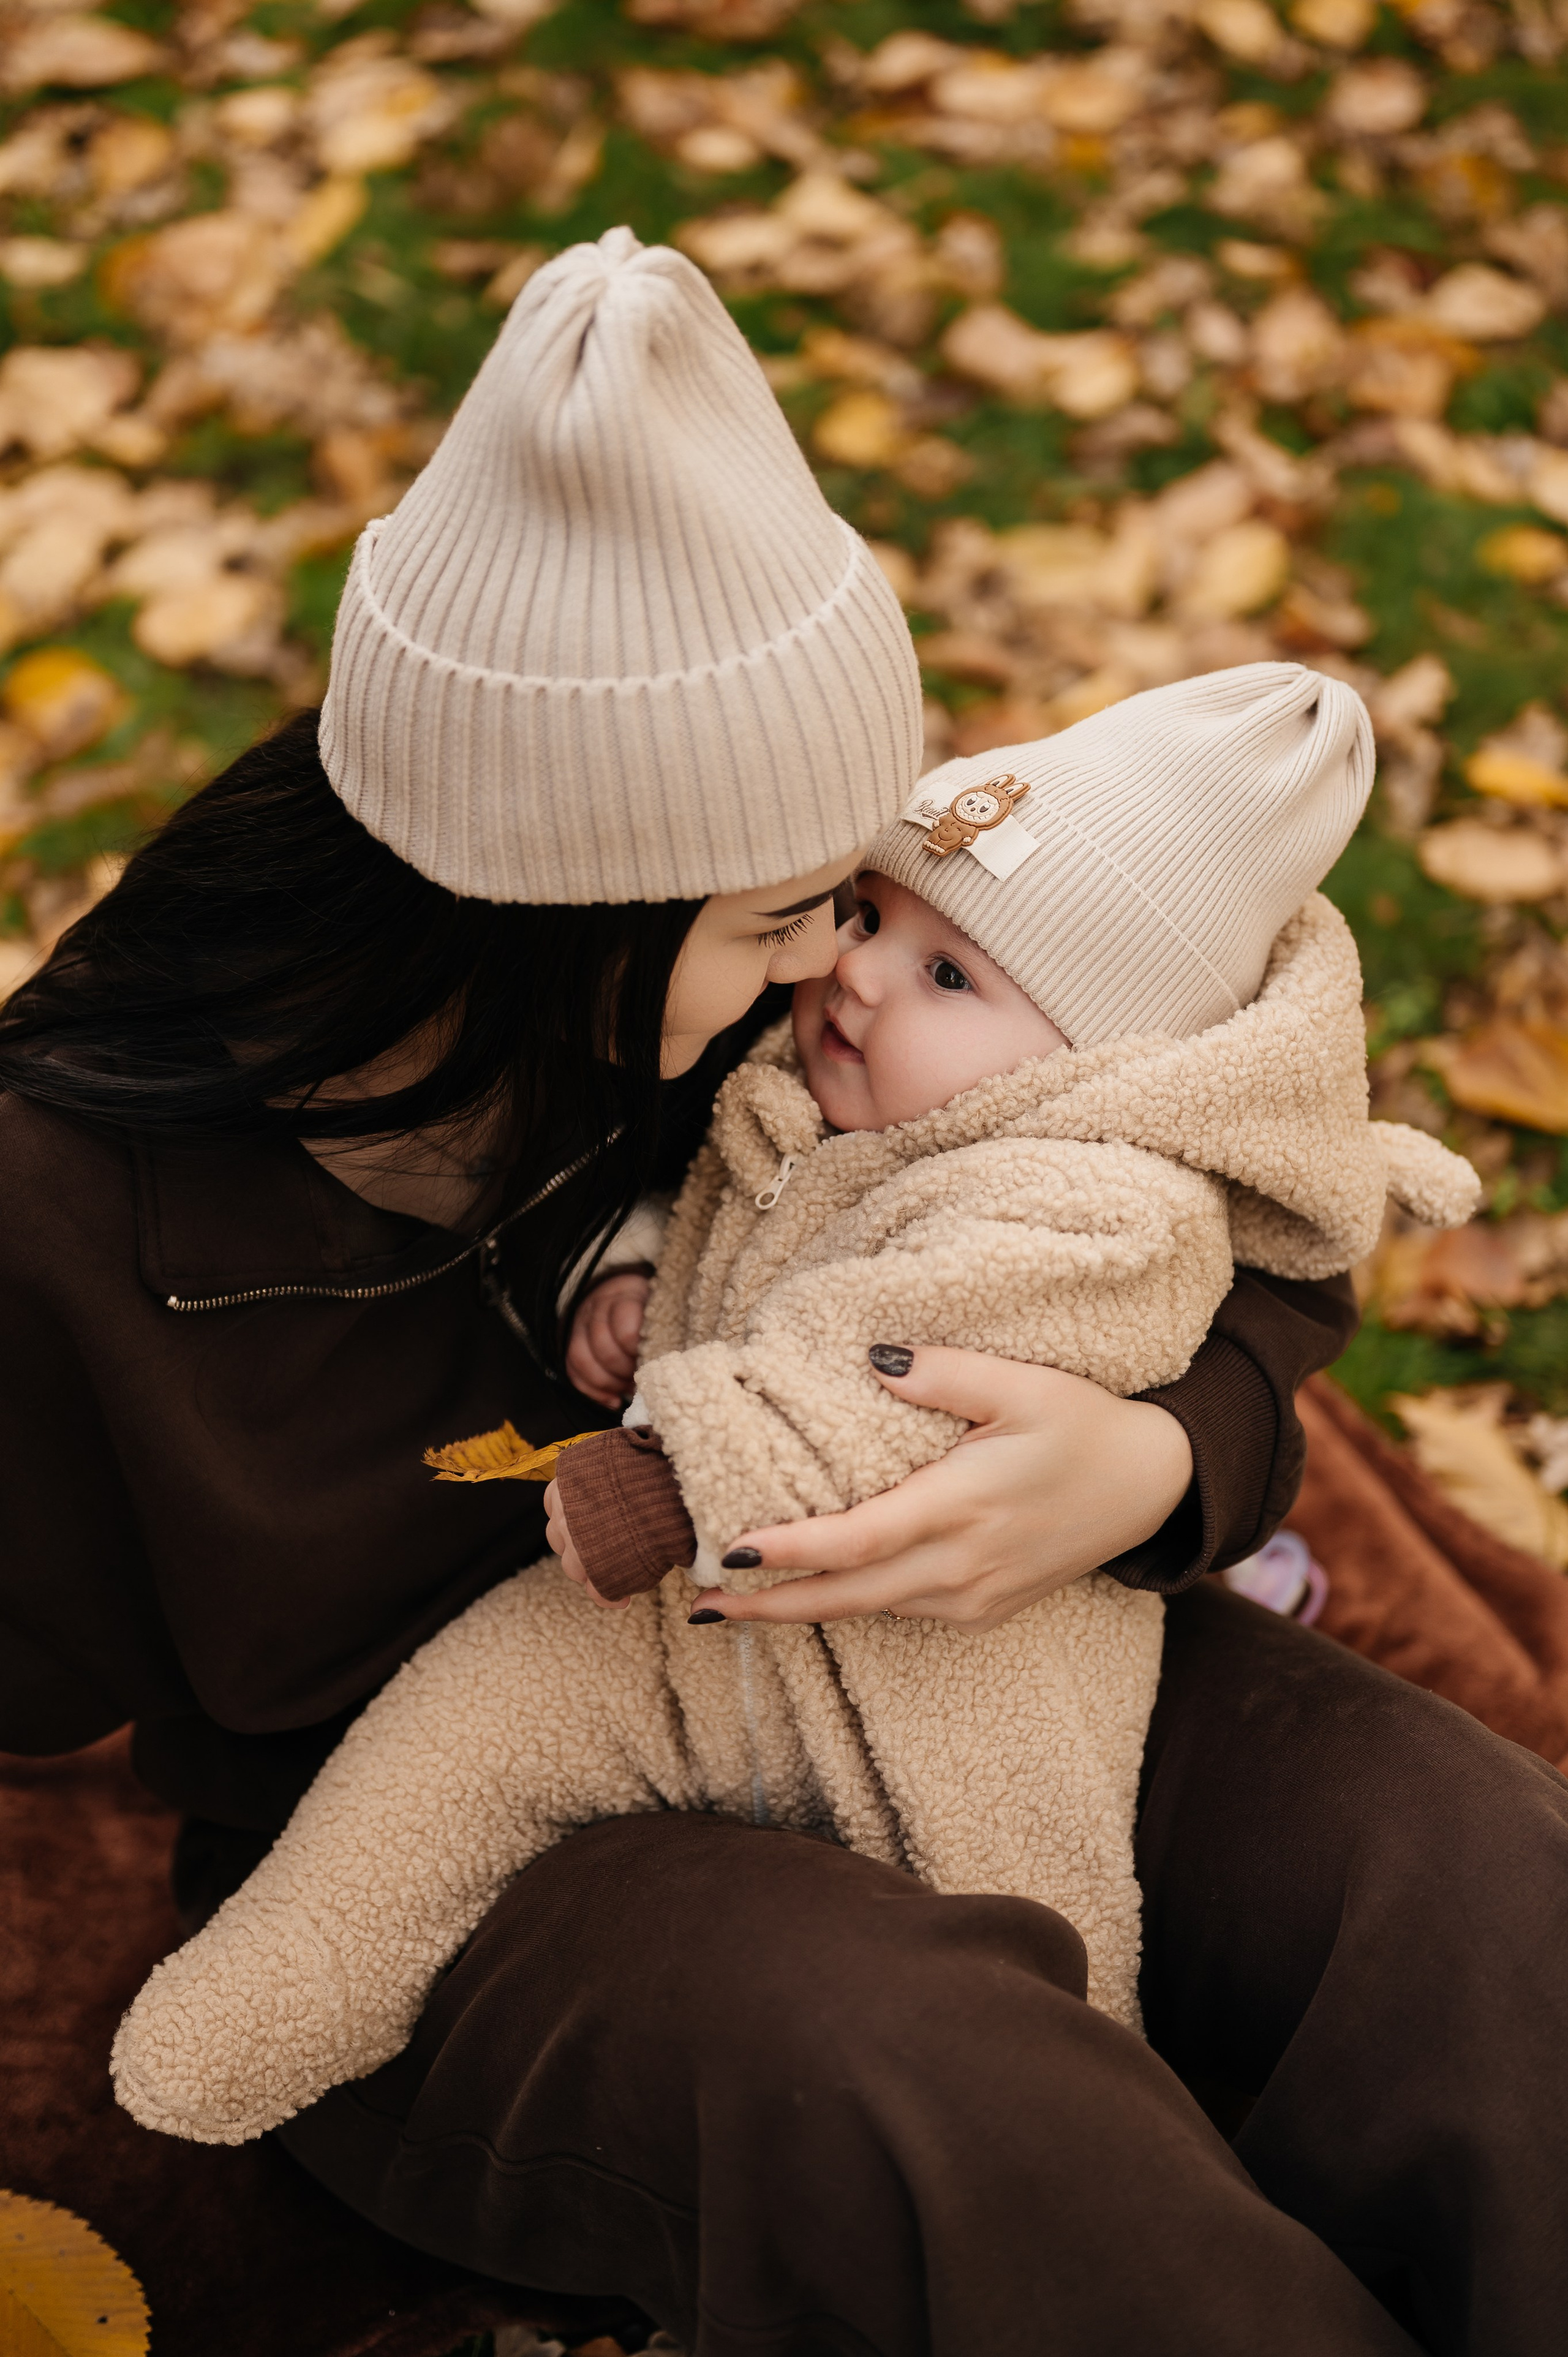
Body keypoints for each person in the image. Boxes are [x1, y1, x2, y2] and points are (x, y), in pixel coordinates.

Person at [1, 230, 1562, 2356]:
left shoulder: (808, 1015)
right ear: (558, 915)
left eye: (871, 895)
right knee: (940, 2084)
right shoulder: (70, 1217)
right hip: (477, 1841)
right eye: (782, 917)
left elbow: (1169, 1175)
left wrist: (1154, 1458)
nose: (846, 965)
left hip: (956, 1657)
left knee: (1458, 1866)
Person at [108, 664, 1482, 2147]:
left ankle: (1096, 2129)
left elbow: (869, 1372)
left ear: (1100, 1069)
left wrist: (674, 1478)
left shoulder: (1081, 1203)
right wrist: (628, 1278)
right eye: (870, 913)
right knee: (466, 1727)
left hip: (944, 1666)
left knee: (1033, 1946)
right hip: (674, 1638)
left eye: (948, 974)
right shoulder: (788, 1079)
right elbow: (703, 1221)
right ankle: (273, 1990)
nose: (854, 970)